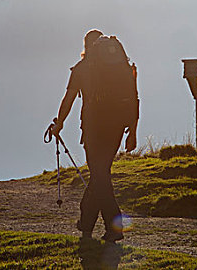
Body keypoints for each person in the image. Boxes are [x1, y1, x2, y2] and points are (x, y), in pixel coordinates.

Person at [51, 29, 139, 242]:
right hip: (117, 127)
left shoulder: (82, 69)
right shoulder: (121, 68)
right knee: (100, 173)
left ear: (86, 46)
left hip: (93, 128)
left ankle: (114, 228)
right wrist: (132, 132)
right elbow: (134, 98)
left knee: (99, 175)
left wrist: (59, 123)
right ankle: (86, 223)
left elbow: (69, 97)